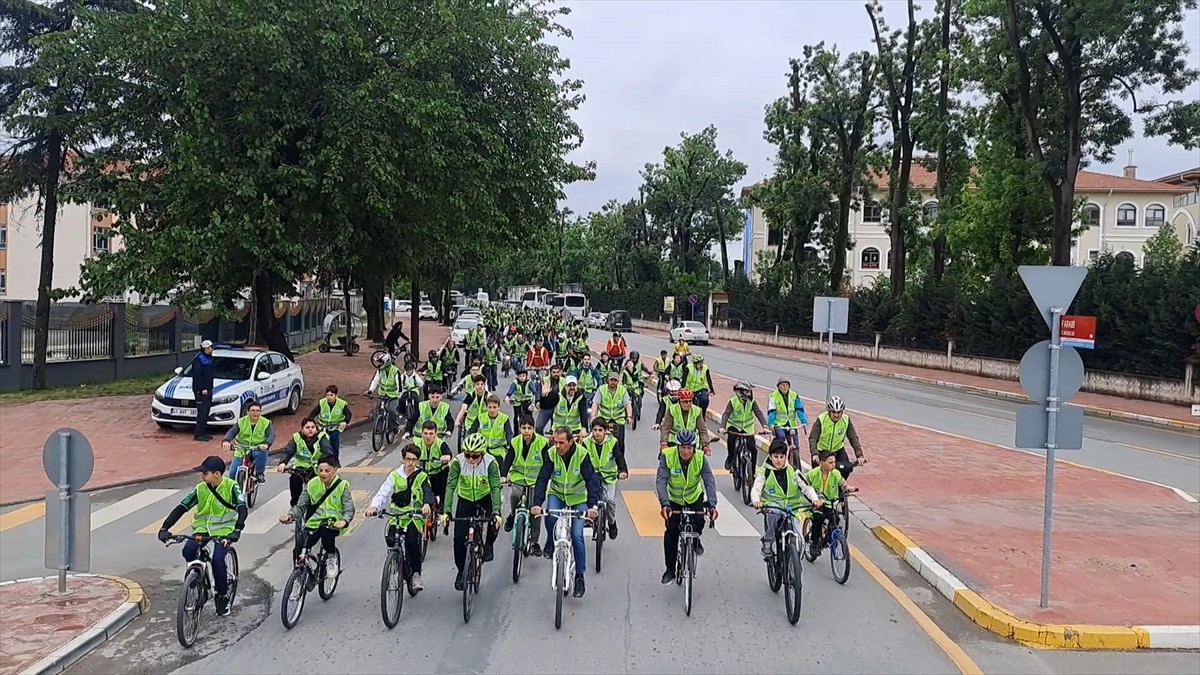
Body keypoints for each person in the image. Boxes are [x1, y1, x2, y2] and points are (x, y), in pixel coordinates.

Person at [157, 455, 247, 616]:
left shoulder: (232, 487)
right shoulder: (200, 488)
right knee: (188, 550)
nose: (202, 476)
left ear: (217, 474)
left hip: (224, 530)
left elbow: (242, 508)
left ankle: (222, 596)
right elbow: (182, 507)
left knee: (219, 560)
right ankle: (199, 582)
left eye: (205, 473)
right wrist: (165, 527)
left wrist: (237, 530)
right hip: (202, 529)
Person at [531, 427, 602, 598]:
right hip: (557, 494)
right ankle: (550, 541)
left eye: (561, 442)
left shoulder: (582, 454)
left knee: (577, 536)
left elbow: (592, 480)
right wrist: (537, 503)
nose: (557, 446)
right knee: (550, 519)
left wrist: (593, 507)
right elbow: (542, 479)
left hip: (578, 498)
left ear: (571, 442)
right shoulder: (551, 454)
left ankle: (579, 576)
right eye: (555, 442)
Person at [364, 445, 435, 592]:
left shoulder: (421, 476)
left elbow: (428, 492)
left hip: (413, 517)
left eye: (414, 460)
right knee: (390, 539)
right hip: (396, 517)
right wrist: (374, 507)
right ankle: (396, 561)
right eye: (408, 459)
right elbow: (383, 492)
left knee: (411, 541)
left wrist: (427, 504)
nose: (410, 463)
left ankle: (416, 574)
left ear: (417, 461)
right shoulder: (394, 476)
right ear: (402, 459)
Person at [655, 428, 718, 584]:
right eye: (682, 447)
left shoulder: (700, 458)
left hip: (693, 496)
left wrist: (712, 504)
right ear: (677, 446)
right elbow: (661, 480)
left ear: (694, 448)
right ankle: (670, 569)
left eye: (689, 447)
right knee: (671, 532)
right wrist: (664, 504)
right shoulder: (667, 456)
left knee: (700, 520)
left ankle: (695, 539)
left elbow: (709, 481)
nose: (685, 451)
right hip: (673, 499)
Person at [442, 434, 503, 591]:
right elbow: (450, 486)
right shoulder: (458, 462)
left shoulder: (491, 463)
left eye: (475, 456)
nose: (470, 459)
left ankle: (488, 544)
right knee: (458, 540)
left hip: (485, 496)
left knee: (494, 523)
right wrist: (447, 511)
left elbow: (496, 487)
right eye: (467, 455)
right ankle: (462, 571)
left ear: (482, 453)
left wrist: (496, 511)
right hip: (466, 499)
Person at [280, 454, 354, 575]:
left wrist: (344, 521)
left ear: (335, 470)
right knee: (299, 546)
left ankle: (331, 558)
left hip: (333, 524)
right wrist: (290, 516)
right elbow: (300, 506)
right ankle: (298, 573)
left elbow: (349, 508)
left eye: (327, 471)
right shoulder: (311, 484)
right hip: (313, 523)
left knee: (326, 534)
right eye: (320, 470)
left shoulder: (342, 485)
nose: (323, 474)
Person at [751, 439, 822, 559]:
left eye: (782, 457)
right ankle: (768, 542)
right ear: (770, 456)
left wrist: (815, 499)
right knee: (772, 516)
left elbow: (806, 487)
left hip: (792, 509)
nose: (779, 460)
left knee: (799, 541)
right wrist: (756, 501)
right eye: (776, 456)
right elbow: (756, 488)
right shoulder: (764, 472)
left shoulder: (793, 471)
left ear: (786, 457)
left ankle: (794, 566)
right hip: (774, 507)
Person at [500, 415, 549, 557]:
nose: (526, 431)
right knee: (514, 495)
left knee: (535, 509)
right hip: (518, 478)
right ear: (520, 429)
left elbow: (547, 463)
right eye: (523, 428)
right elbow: (508, 459)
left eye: (529, 428)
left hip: (535, 481)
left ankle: (534, 542)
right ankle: (513, 514)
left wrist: (547, 479)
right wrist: (504, 475)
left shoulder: (542, 442)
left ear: (533, 429)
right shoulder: (515, 442)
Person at [580, 419, 628, 540]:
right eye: (595, 430)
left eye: (600, 430)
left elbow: (619, 458)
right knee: (588, 497)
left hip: (609, 477)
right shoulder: (586, 442)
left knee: (610, 500)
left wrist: (623, 471)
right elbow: (580, 459)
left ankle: (612, 523)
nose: (597, 433)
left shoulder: (612, 442)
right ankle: (589, 519)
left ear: (605, 432)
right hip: (592, 477)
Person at [805, 450, 859, 558]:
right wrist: (811, 499)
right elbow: (804, 485)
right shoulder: (813, 474)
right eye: (830, 462)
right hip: (817, 503)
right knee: (818, 517)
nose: (833, 465)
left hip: (830, 503)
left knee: (835, 519)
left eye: (834, 462)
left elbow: (843, 483)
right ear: (821, 463)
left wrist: (849, 488)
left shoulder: (836, 473)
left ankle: (831, 539)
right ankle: (814, 544)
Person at [275, 417, 332, 506]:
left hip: (316, 468)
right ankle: (295, 507)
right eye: (307, 427)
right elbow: (288, 451)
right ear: (302, 429)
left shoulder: (321, 437)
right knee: (294, 480)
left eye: (313, 427)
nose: (310, 430)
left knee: (319, 486)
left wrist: (324, 463)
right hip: (300, 467)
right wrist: (283, 463)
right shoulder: (297, 437)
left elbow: (328, 451)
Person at [808, 395, 867, 479]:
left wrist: (859, 455)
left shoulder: (846, 420)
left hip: (838, 449)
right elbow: (813, 438)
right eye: (833, 412)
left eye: (839, 412)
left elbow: (853, 437)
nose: (836, 415)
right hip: (822, 451)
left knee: (846, 469)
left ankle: (840, 489)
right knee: (819, 475)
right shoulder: (821, 420)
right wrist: (814, 453)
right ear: (829, 411)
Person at [721, 380, 768, 471]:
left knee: (753, 449)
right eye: (747, 391)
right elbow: (726, 414)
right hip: (734, 426)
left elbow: (758, 413)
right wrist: (722, 427)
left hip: (747, 428)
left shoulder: (752, 402)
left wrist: (765, 425)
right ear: (740, 392)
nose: (749, 394)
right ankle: (730, 458)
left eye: (750, 391)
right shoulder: (733, 402)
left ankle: (752, 472)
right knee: (731, 440)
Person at [221, 400, 273, 481]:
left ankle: (259, 473)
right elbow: (232, 432)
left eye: (257, 411)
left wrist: (266, 444)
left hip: (257, 449)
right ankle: (235, 491)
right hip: (241, 449)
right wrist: (226, 441)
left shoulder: (266, 423)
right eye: (252, 411)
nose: (255, 413)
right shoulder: (241, 421)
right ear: (248, 412)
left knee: (263, 453)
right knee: (232, 473)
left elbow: (271, 435)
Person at [657, 388, 711, 455]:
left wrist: (705, 445)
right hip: (674, 441)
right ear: (679, 401)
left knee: (700, 460)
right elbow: (665, 428)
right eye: (685, 401)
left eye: (690, 401)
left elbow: (702, 430)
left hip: (691, 443)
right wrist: (663, 444)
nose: (688, 404)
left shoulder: (697, 410)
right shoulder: (672, 410)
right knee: (664, 458)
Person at [768, 376, 808, 456]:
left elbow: (799, 409)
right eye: (782, 385)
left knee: (796, 444)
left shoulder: (794, 395)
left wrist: (804, 422)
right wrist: (771, 423)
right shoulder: (774, 396)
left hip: (791, 424)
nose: (785, 387)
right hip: (779, 424)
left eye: (786, 385)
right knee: (781, 438)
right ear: (778, 386)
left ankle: (796, 460)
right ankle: (778, 453)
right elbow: (771, 411)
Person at [365, 352, 403, 437]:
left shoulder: (395, 371)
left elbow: (399, 385)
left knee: (392, 411)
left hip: (393, 395)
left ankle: (394, 427)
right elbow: (375, 381)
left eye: (380, 362)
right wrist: (370, 390)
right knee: (378, 410)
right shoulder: (380, 371)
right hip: (382, 393)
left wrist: (399, 395)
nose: (379, 364)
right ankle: (379, 426)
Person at [309, 385, 351, 459]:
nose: (329, 397)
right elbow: (314, 413)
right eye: (327, 395)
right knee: (317, 439)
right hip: (322, 426)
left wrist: (345, 422)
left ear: (336, 395)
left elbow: (348, 414)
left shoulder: (342, 404)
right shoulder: (322, 402)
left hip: (336, 427)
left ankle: (335, 459)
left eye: (331, 395)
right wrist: (310, 421)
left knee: (334, 438)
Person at [469, 395, 513, 460]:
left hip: (498, 450)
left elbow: (509, 433)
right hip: (482, 449)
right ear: (486, 407)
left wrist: (509, 444)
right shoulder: (480, 417)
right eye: (490, 407)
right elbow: (472, 430)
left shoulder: (504, 418)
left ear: (499, 408)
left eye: (494, 407)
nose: (492, 410)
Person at [190, 340, 216, 442]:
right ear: (205, 349)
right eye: (210, 348)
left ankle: (203, 432)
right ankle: (198, 434)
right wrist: (202, 389)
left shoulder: (208, 358)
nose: (211, 349)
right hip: (201, 390)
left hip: (208, 388)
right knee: (202, 411)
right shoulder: (199, 359)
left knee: (206, 412)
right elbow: (198, 376)